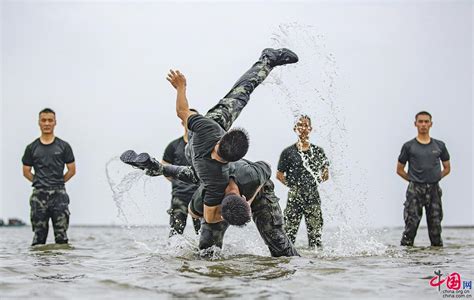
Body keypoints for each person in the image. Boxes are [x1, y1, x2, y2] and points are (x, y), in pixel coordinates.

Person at [166, 48, 298, 225]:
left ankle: (268, 60)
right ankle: (268, 59)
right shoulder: (211, 135)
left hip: (200, 146)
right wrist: (246, 203)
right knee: (240, 95)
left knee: (238, 96)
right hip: (203, 143)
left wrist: (181, 87)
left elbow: (182, 111)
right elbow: (206, 216)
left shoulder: (209, 133)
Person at [121, 154, 299, 257]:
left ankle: (157, 167)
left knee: (280, 245)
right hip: (210, 175)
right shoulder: (205, 199)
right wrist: (212, 216)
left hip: (259, 192)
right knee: (207, 253)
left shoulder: (253, 174)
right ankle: (152, 166)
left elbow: (267, 167)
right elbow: (193, 212)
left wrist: (250, 201)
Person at [22, 108, 76, 246]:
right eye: (44, 120)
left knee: (62, 237)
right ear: (39, 123)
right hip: (39, 196)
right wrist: (40, 182)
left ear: (55, 122)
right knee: (39, 237)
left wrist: (58, 183)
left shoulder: (64, 146)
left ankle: (60, 267)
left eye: (50, 120)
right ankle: (39, 266)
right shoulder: (31, 147)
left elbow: (71, 170)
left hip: (59, 195)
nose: (47, 123)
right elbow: (26, 171)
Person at [397, 111, 450, 247]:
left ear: (431, 124)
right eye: (420, 122)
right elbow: (400, 169)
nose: (423, 125)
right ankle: (408, 262)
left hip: (434, 190)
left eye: (426, 122)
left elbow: (447, 167)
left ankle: (436, 261)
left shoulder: (439, 145)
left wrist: (435, 178)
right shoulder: (408, 146)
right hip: (415, 190)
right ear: (415, 124)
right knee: (411, 226)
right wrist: (414, 180)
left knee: (436, 228)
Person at [276, 115, 329, 248]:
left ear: (310, 128)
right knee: (288, 233)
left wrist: (313, 183)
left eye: (306, 125)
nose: (303, 128)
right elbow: (279, 175)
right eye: (300, 125)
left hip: (313, 196)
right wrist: (293, 186)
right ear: (295, 128)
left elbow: (325, 174)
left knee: (315, 237)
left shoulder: (318, 151)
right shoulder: (288, 152)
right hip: (295, 196)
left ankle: (314, 264)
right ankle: (289, 262)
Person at [162, 115, 201, 236]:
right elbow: (164, 167)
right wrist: (178, 182)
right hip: (179, 196)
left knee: (203, 232)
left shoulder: (203, 146)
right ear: (183, 123)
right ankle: (174, 255)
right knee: (175, 232)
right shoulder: (173, 145)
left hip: (200, 195)